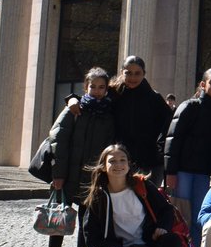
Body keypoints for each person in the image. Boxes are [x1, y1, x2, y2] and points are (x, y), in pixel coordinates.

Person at [30, 67, 116, 247]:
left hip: (93, 177)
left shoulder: (109, 113)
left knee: (86, 220)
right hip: (67, 175)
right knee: (58, 217)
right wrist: (57, 175)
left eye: (101, 87)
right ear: (85, 87)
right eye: (92, 86)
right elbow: (58, 143)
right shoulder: (73, 110)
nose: (96, 91)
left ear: (107, 89)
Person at [81, 144, 183, 247]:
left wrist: (162, 228)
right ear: (104, 167)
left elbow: (166, 210)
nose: (118, 165)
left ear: (129, 165)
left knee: (171, 243)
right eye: (112, 161)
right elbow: (91, 235)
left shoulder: (141, 185)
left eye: (123, 160)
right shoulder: (99, 196)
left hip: (146, 244)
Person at [67, 55, 173, 186]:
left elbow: (169, 125)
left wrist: (160, 151)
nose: (132, 77)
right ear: (122, 72)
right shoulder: (113, 93)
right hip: (119, 160)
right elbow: (91, 98)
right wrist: (72, 99)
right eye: (128, 73)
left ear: (144, 74)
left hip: (149, 162)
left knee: (145, 202)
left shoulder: (154, 98)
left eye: (137, 73)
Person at [164, 68, 211, 247]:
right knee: (181, 216)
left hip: (202, 173)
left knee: (198, 218)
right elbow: (173, 139)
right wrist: (170, 171)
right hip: (182, 171)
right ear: (203, 85)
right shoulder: (190, 106)